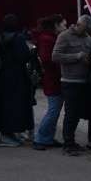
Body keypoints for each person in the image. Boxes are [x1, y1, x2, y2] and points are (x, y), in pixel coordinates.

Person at [53, 14, 91, 156]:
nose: (86, 32)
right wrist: (76, 56)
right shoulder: (64, 36)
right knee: (70, 113)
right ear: (79, 24)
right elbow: (55, 56)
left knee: (77, 113)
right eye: (85, 29)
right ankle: (68, 143)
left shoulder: (88, 38)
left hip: (84, 81)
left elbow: (89, 55)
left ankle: (72, 142)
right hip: (69, 81)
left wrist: (89, 61)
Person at [0, 15, 33, 148]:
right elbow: (24, 56)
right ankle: (12, 133)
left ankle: (7, 133)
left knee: (6, 105)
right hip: (17, 75)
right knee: (17, 104)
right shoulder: (18, 38)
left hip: (3, 74)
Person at [31, 15, 64, 151]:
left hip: (53, 78)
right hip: (53, 78)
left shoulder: (47, 38)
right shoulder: (47, 39)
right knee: (53, 110)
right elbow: (47, 59)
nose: (65, 27)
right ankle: (41, 137)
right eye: (63, 25)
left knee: (54, 110)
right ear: (56, 25)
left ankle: (47, 137)